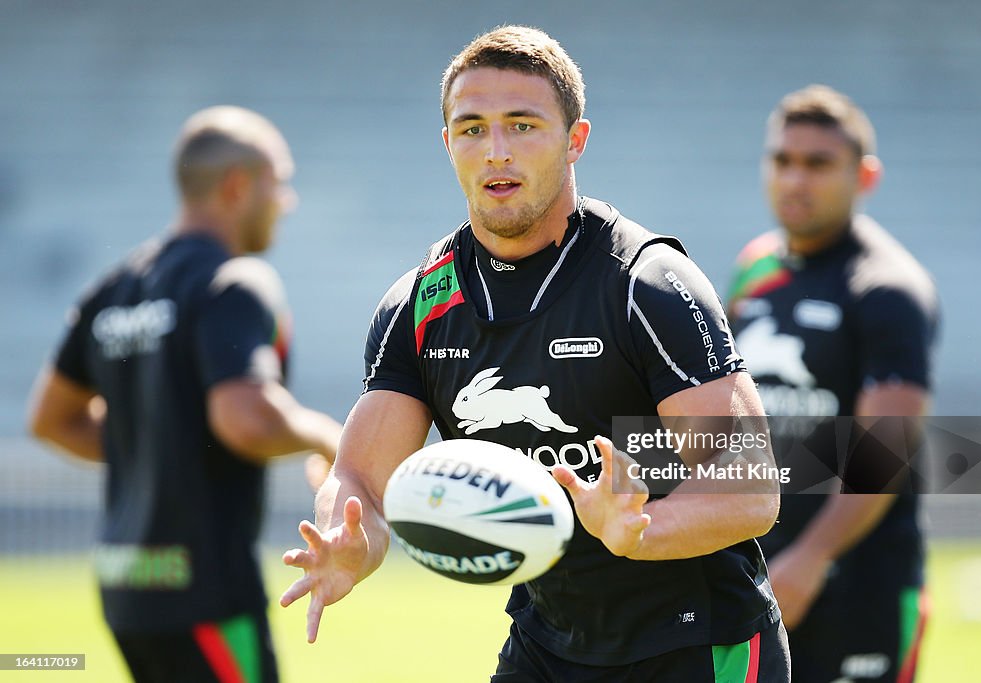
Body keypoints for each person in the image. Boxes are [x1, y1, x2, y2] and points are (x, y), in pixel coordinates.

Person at [280, 26, 789, 682]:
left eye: (522, 125)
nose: (496, 151)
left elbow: (751, 489)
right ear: (447, 145)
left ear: (574, 141)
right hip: (550, 642)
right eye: (472, 129)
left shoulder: (644, 283)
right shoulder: (421, 305)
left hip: (695, 643)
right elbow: (361, 482)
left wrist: (643, 527)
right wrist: (353, 542)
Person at [27, 105, 344, 683]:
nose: (286, 200)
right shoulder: (236, 282)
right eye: (279, 182)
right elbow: (245, 418)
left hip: (126, 584)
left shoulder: (113, 288)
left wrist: (150, 439)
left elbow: (50, 419)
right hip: (204, 591)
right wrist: (327, 436)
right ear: (237, 186)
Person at [727, 85, 939, 683]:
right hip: (760, 574)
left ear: (863, 176)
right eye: (783, 161)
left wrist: (811, 557)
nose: (796, 180)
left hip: (857, 585)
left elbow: (886, 449)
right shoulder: (756, 267)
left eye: (818, 164)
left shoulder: (887, 288)